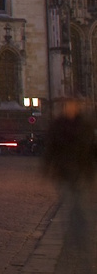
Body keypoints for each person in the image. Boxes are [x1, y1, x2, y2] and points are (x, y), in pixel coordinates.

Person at [44, 99, 97, 270]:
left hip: (80, 171)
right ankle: (73, 236)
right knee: (70, 204)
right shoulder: (58, 125)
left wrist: (89, 169)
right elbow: (51, 148)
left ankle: (81, 237)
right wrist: (47, 167)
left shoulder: (85, 125)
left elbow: (91, 149)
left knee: (80, 206)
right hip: (65, 172)